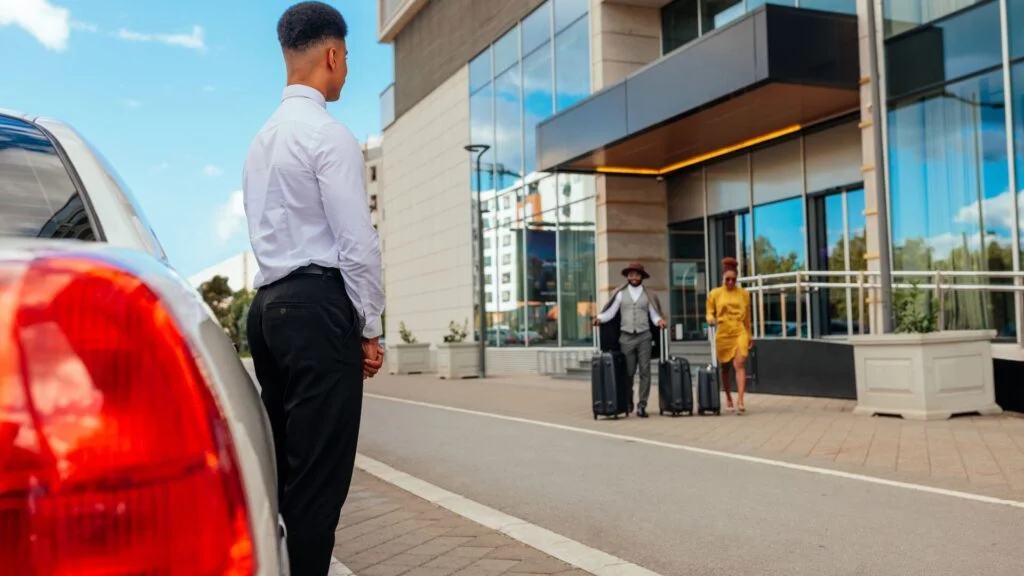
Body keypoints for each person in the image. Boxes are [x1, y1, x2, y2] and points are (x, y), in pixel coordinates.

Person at [242, 3, 385, 574]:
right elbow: (357, 242)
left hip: (267, 310)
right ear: (331, 54)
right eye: (347, 57)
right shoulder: (328, 135)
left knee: (281, 472)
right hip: (317, 308)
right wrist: (369, 326)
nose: (346, 68)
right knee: (319, 483)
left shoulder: (261, 142)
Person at [593, 262, 666, 418]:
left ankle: (642, 405)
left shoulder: (649, 295)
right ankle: (628, 401)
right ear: (627, 276)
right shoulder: (619, 293)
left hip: (644, 336)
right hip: (626, 336)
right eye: (631, 274)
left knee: (645, 372)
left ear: (641, 277)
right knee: (628, 373)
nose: (634, 277)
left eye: (637, 274)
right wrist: (599, 318)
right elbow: (611, 312)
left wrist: (659, 321)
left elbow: (654, 315)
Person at [705, 257, 753, 414]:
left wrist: (749, 335)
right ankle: (728, 397)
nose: (731, 282)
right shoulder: (715, 294)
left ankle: (740, 399)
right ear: (722, 278)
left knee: (739, 364)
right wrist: (711, 319)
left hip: (739, 331)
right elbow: (709, 312)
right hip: (723, 332)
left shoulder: (744, 294)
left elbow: (747, 318)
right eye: (728, 279)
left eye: (734, 279)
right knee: (724, 368)